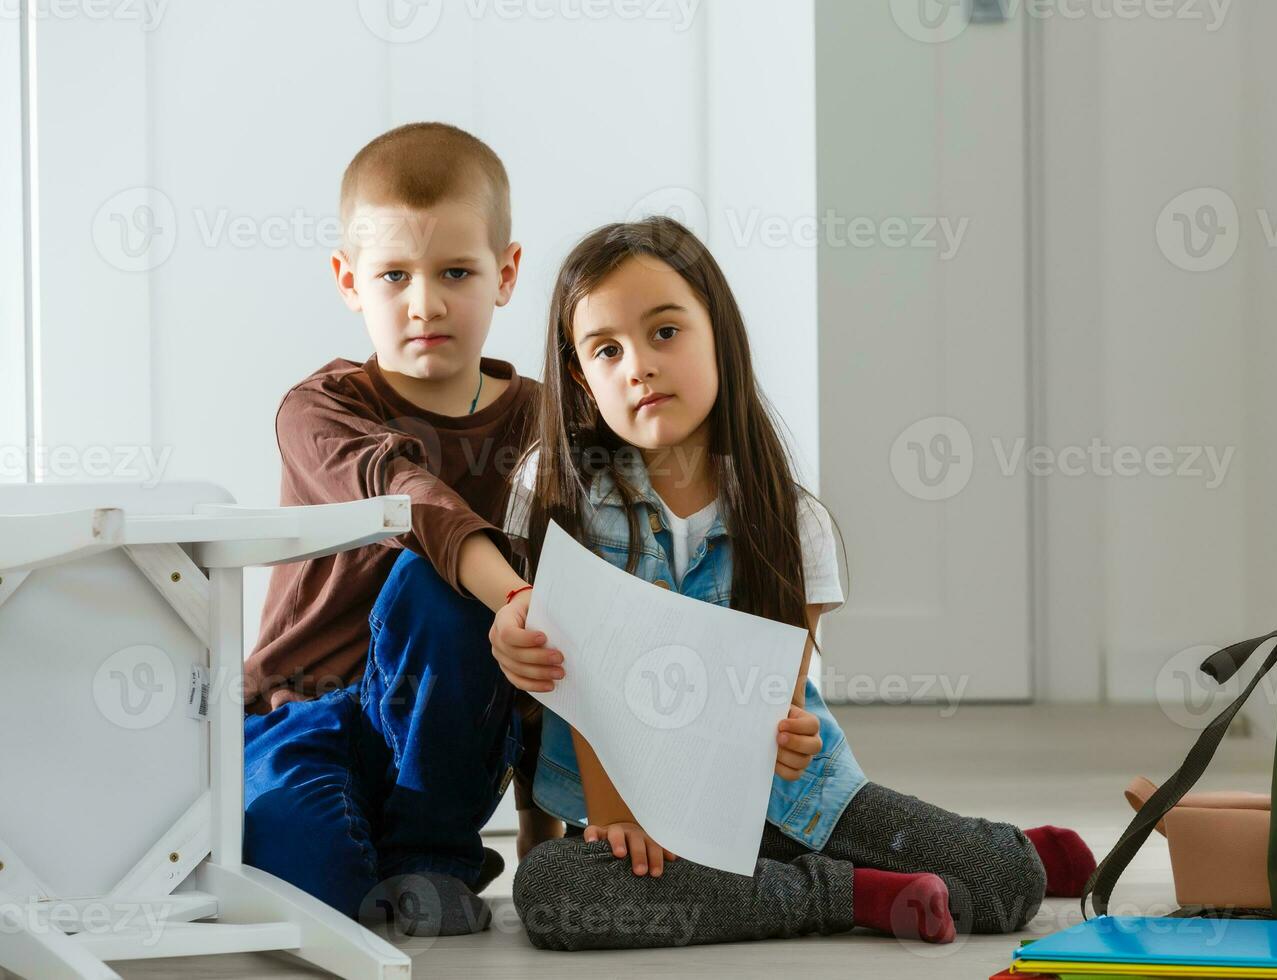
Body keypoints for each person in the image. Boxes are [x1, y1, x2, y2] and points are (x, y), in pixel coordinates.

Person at [492, 217, 1094, 950]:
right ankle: (849, 893)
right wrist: (619, 817)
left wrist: (788, 736)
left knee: (1008, 884)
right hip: (632, 812)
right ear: (582, 377)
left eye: (665, 333)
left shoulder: (787, 517)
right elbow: (574, 684)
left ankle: (990, 850)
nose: (638, 367)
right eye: (606, 350)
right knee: (553, 892)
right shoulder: (554, 492)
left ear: (719, 335)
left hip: (789, 804)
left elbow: (779, 702)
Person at [241, 122, 560, 937]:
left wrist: (541, 828)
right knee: (310, 888)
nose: (425, 303)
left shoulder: (540, 426)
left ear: (507, 273)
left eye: (457, 271)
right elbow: (408, 498)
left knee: (446, 597)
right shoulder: (318, 411)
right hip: (303, 713)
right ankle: (357, 853)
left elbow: (553, 626)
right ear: (350, 282)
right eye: (393, 276)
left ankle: (432, 856)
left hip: (447, 725)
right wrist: (514, 591)